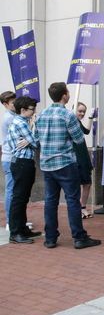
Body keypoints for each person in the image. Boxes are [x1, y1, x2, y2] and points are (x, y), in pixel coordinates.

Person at [34, 82, 101, 249]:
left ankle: (50, 237)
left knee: (50, 201)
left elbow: (36, 139)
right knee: (72, 200)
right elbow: (79, 139)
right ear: (64, 95)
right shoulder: (67, 115)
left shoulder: (42, 114)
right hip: (65, 162)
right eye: (67, 92)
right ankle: (79, 237)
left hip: (47, 163)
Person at [6, 96, 41, 243]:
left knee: (23, 197)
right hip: (22, 162)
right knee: (19, 198)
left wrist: (30, 139)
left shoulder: (23, 122)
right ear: (23, 110)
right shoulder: (22, 123)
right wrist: (32, 138)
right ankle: (15, 233)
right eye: (32, 109)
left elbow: (31, 141)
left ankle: (22, 228)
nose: (34, 112)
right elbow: (35, 142)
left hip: (22, 162)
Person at [74, 101, 95, 218]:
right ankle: (78, 209)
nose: (82, 114)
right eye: (80, 111)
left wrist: (91, 117)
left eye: (83, 112)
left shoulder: (77, 122)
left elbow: (86, 131)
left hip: (83, 156)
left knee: (87, 183)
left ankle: (82, 207)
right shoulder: (71, 122)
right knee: (77, 184)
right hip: (75, 157)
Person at [1, 90, 17, 230]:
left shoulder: (12, 115)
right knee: (11, 189)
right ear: (6, 104)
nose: (15, 104)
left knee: (13, 189)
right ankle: (10, 221)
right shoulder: (9, 118)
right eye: (13, 103)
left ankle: (13, 220)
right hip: (10, 157)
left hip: (10, 157)